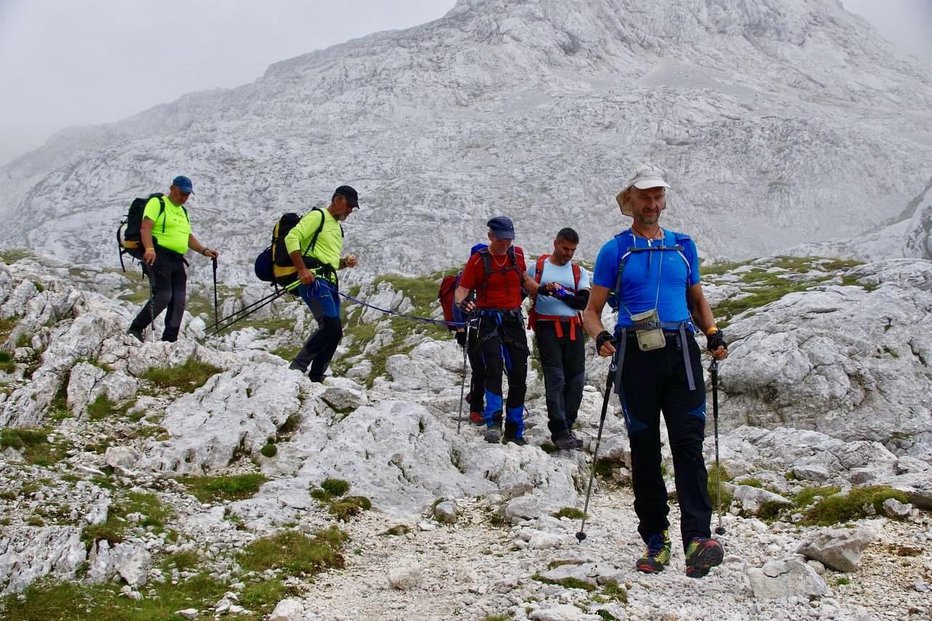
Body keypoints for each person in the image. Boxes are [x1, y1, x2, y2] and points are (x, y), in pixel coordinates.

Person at [582, 164, 728, 578]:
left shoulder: (684, 246)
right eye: (644, 196)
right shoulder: (616, 250)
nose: (652, 204)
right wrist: (599, 337)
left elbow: (698, 301)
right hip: (634, 353)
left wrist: (713, 334)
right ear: (629, 201)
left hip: (681, 350)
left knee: (688, 443)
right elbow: (590, 312)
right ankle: (655, 539)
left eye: (658, 196)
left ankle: (697, 538)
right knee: (644, 448)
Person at [454, 217, 539, 445]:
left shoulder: (517, 255)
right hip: (488, 320)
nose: (505, 244)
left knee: (518, 373)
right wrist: (463, 304)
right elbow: (462, 290)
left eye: (509, 239)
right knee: (493, 368)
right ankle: (493, 423)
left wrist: (541, 290)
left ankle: (514, 427)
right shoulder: (478, 261)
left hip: (512, 320)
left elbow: (524, 280)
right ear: (490, 236)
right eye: (501, 239)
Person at [127, 175, 218, 342]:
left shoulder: (183, 212)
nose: (184, 198)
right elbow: (145, 227)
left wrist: (204, 250)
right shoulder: (158, 203)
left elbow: (187, 237)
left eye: (187, 195)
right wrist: (149, 249)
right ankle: (136, 328)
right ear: (172, 188)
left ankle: (170, 339)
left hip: (177, 260)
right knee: (164, 295)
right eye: (182, 193)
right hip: (159, 255)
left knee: (179, 299)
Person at [285, 185, 359, 382]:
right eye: (349, 205)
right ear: (337, 199)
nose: (350, 211)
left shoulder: (336, 227)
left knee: (335, 331)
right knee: (329, 325)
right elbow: (292, 237)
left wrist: (344, 263)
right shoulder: (318, 216)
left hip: (329, 281)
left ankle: (317, 375)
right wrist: (301, 269)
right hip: (314, 280)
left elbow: (330, 261)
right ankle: (297, 367)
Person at [527, 228, 590, 451]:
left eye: (572, 250)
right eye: (565, 248)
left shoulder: (578, 272)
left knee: (577, 380)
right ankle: (559, 431)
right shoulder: (538, 268)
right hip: (547, 328)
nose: (568, 254)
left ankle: (568, 426)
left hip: (573, 327)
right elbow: (525, 290)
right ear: (555, 243)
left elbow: (581, 302)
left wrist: (557, 292)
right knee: (555, 378)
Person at [452, 243, 489, 426]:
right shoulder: (464, 279)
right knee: (480, 369)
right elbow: (456, 304)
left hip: (486, 328)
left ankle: (475, 396)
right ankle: (476, 409)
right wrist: (460, 330)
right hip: (470, 330)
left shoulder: (486, 277)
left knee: (487, 368)